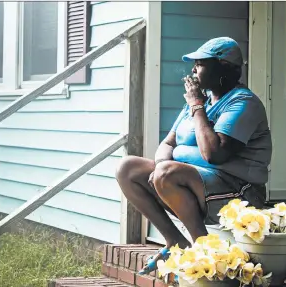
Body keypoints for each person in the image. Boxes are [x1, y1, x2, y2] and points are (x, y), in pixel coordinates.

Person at [115, 37, 272, 275]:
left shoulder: (242, 102)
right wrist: (159, 168)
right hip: (195, 183)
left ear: (223, 67)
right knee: (127, 169)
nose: (193, 70)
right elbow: (169, 142)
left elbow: (214, 154)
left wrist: (197, 106)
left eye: (200, 63)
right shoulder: (200, 101)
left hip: (239, 190)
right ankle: (175, 241)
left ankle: (203, 250)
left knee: (167, 173)